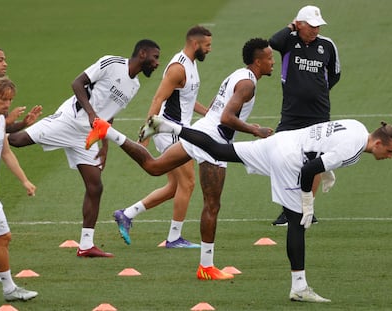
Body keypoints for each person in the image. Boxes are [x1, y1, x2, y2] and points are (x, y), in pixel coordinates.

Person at [91, 115, 392, 302]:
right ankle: (299, 287)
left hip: (283, 142)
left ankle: (169, 126)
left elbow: (322, 146)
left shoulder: (358, 129)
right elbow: (309, 170)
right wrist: (308, 203)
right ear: (382, 142)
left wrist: (326, 172)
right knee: (297, 223)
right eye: (391, 151)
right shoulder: (355, 147)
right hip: (290, 159)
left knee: (218, 149)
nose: (390, 157)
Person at [87, 38, 275, 278]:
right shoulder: (248, 85)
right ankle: (206, 267)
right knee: (212, 205)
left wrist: (246, 125)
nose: (273, 62)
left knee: (154, 167)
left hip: (200, 130)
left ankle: (107, 130)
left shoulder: (239, 75)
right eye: (269, 58)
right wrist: (254, 130)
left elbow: (223, 112)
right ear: (257, 62)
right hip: (213, 142)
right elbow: (227, 118)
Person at [8, 40, 161, 258]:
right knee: (16, 141)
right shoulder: (111, 63)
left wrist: (105, 145)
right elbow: (77, 83)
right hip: (69, 120)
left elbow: (110, 113)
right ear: (142, 53)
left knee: (95, 186)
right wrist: (90, 114)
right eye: (155, 57)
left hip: (88, 136)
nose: (157, 63)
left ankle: (86, 245)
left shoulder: (135, 85)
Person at [112, 26, 212, 248]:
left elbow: (187, 98)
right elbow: (157, 99)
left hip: (179, 131)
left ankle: (127, 214)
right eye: (207, 45)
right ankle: (174, 238)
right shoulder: (178, 67)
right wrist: (146, 131)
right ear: (195, 45)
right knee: (188, 183)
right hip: (171, 133)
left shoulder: (191, 65)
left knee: (175, 187)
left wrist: (208, 113)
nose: (210, 49)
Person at [268, 5, 341, 226]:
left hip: (318, 113)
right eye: (311, 25)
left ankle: (306, 209)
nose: (316, 30)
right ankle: (287, 209)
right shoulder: (288, 42)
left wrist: (317, 91)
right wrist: (291, 26)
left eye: (318, 26)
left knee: (313, 161)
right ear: (299, 24)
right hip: (291, 113)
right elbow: (272, 42)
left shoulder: (327, 46)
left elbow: (335, 74)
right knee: (283, 159)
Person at [0, 77, 38, 301]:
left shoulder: (1, 120)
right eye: (3, 99)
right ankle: (9, 289)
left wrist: (24, 180)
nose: (7, 104)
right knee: (3, 237)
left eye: (10, 100)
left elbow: (5, 152)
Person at [0, 48, 42, 133]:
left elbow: (3, 129)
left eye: (9, 100)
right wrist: (7, 121)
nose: (5, 64)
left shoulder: (0, 89)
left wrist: (23, 123)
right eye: (0, 60)